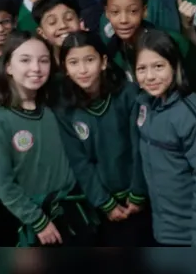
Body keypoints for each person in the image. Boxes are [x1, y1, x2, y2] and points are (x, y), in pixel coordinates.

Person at [0, 31, 97, 247]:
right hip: (33, 221)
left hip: (74, 212)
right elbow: (3, 183)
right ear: (8, 67)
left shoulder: (56, 107)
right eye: (25, 60)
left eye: (43, 60)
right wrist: (38, 220)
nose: (36, 68)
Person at [52, 32, 152, 246]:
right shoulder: (64, 109)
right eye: (73, 63)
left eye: (90, 60)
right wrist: (104, 202)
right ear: (65, 69)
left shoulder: (128, 94)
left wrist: (138, 193)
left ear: (104, 62)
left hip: (141, 197)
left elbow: (140, 147)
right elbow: (79, 161)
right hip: (104, 206)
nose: (83, 69)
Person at [134, 30, 196, 246]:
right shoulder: (145, 105)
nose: (150, 76)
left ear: (174, 66)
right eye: (142, 68)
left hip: (195, 235)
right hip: (163, 231)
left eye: (158, 66)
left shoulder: (194, 111)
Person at [103, 0, 196, 92]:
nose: (123, 20)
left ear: (144, 11)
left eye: (133, 11)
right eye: (115, 12)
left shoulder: (172, 41)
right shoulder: (112, 53)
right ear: (107, 13)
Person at [32, 0, 84, 65]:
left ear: (80, 22)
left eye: (69, 18)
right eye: (52, 22)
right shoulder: (40, 67)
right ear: (42, 33)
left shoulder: (97, 52)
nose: (63, 25)